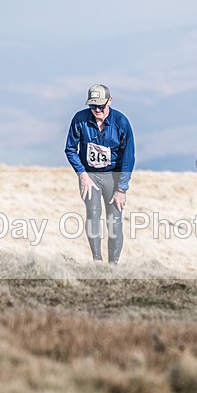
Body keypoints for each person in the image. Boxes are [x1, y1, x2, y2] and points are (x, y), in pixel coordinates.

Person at [65, 84, 135, 264]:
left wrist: (122, 189)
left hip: (113, 176)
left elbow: (128, 158)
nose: (97, 110)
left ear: (109, 101)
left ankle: (113, 265)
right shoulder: (79, 119)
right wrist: (82, 175)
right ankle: (97, 259)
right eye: (92, 106)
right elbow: (70, 149)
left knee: (114, 221)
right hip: (90, 176)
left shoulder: (122, 122)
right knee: (93, 214)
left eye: (101, 106)